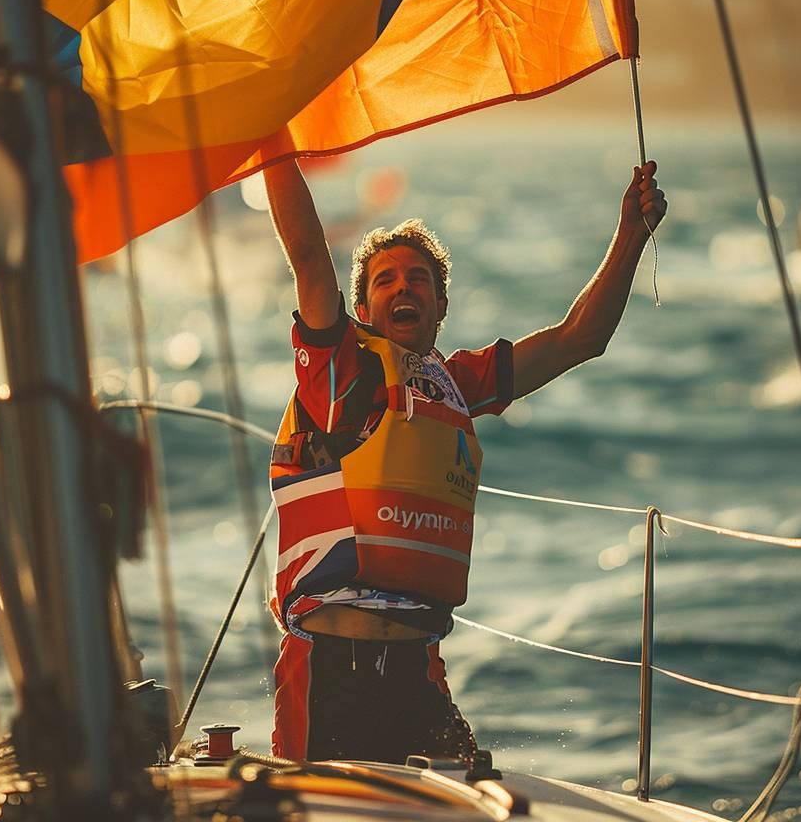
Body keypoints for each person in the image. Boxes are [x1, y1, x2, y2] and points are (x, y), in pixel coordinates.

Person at [264, 157, 664, 765]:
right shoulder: (340, 371)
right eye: (386, 279)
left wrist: (631, 236)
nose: (404, 287)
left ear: (441, 304)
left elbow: (580, 338)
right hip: (328, 673)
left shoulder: (456, 383)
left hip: (418, 671)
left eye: (419, 279)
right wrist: (273, 141)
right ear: (363, 312)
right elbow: (310, 257)